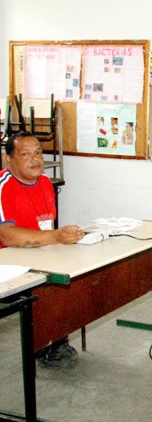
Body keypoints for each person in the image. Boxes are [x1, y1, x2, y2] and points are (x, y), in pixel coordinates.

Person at [0, 132, 85, 368]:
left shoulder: (46, 183)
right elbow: (7, 236)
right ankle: (45, 345)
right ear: (9, 160)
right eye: (25, 154)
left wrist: (65, 237)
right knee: (51, 285)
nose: (34, 159)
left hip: (38, 254)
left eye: (38, 153)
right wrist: (56, 236)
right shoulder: (4, 187)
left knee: (76, 275)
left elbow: (46, 225)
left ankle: (56, 340)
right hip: (8, 264)